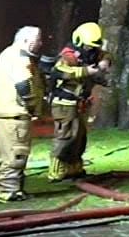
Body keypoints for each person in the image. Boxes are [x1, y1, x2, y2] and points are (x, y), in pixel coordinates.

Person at [43, 21, 110, 182]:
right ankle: (56, 171)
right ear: (79, 42)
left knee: (79, 138)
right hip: (64, 103)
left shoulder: (93, 53)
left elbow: (105, 55)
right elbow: (60, 71)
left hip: (80, 104)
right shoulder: (68, 56)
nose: (91, 50)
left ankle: (74, 168)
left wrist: (106, 62)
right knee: (65, 137)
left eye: (93, 47)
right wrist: (88, 71)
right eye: (88, 46)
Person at [0, 26, 47, 203]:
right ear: (26, 40)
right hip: (15, 114)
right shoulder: (21, 58)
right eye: (38, 40)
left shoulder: (7, 54)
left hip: (4, 112)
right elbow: (24, 84)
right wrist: (31, 106)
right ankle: (9, 190)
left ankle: (0, 187)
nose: (40, 44)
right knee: (16, 153)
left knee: (4, 154)